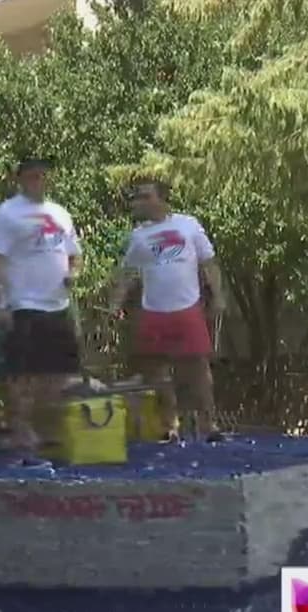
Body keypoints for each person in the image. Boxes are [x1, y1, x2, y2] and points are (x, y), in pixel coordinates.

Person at [108, 180, 226, 442]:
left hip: (187, 307)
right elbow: (128, 273)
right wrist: (115, 303)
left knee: (197, 368)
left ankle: (209, 423)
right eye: (138, 197)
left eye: (145, 196)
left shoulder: (188, 225)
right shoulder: (139, 236)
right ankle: (169, 424)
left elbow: (208, 263)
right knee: (155, 368)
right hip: (154, 310)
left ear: (160, 199)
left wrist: (218, 296)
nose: (139, 202)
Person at [0, 158, 82, 464]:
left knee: (59, 373)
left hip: (58, 304)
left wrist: (73, 275)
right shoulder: (7, 214)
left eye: (43, 175)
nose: (38, 181)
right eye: (32, 176)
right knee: (23, 375)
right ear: (21, 179)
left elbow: (74, 255)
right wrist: (1, 302)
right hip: (23, 303)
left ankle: (49, 430)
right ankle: (21, 431)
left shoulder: (60, 213)